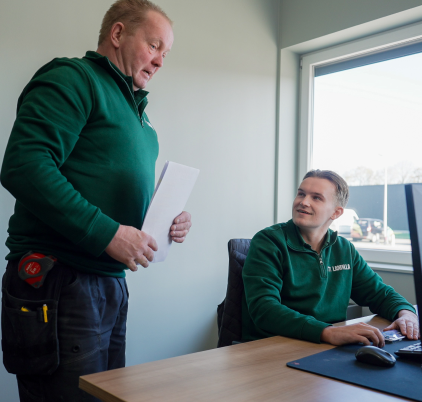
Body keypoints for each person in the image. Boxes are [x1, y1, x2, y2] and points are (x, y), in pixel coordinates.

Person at [0, 1, 191, 401]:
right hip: (59, 281)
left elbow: (109, 199)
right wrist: (108, 233)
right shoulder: (74, 78)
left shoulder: (143, 123)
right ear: (118, 34)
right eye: (154, 45)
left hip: (110, 284)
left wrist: (165, 222)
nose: (159, 61)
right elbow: (24, 165)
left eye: (165, 54)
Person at [242, 169, 419, 347]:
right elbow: (264, 308)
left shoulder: (344, 249)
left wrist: (406, 314)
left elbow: (379, 294)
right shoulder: (268, 241)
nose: (303, 202)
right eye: (301, 194)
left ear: (336, 213)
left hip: (324, 345)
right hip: (274, 346)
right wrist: (327, 332)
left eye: (316, 197)